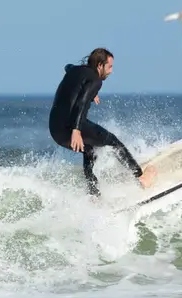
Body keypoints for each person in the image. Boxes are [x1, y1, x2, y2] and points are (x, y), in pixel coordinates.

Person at [48, 47, 156, 197]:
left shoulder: (76, 70)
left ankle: (94, 195)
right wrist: (76, 130)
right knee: (113, 141)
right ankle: (140, 176)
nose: (111, 71)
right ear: (100, 65)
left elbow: (67, 67)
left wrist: (91, 92)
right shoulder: (96, 80)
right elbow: (81, 102)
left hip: (55, 130)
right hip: (71, 126)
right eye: (109, 66)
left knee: (89, 150)